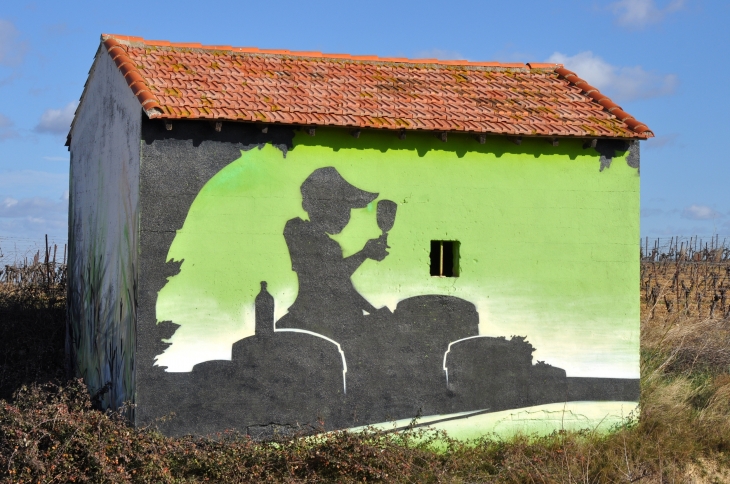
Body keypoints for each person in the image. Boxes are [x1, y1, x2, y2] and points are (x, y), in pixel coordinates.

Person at [275, 167, 390, 341]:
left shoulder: (332, 245)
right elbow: (327, 276)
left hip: (341, 322)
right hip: (315, 322)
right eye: (342, 208)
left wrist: (375, 312)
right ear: (322, 205)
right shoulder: (296, 229)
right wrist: (364, 253)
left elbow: (344, 289)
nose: (346, 217)